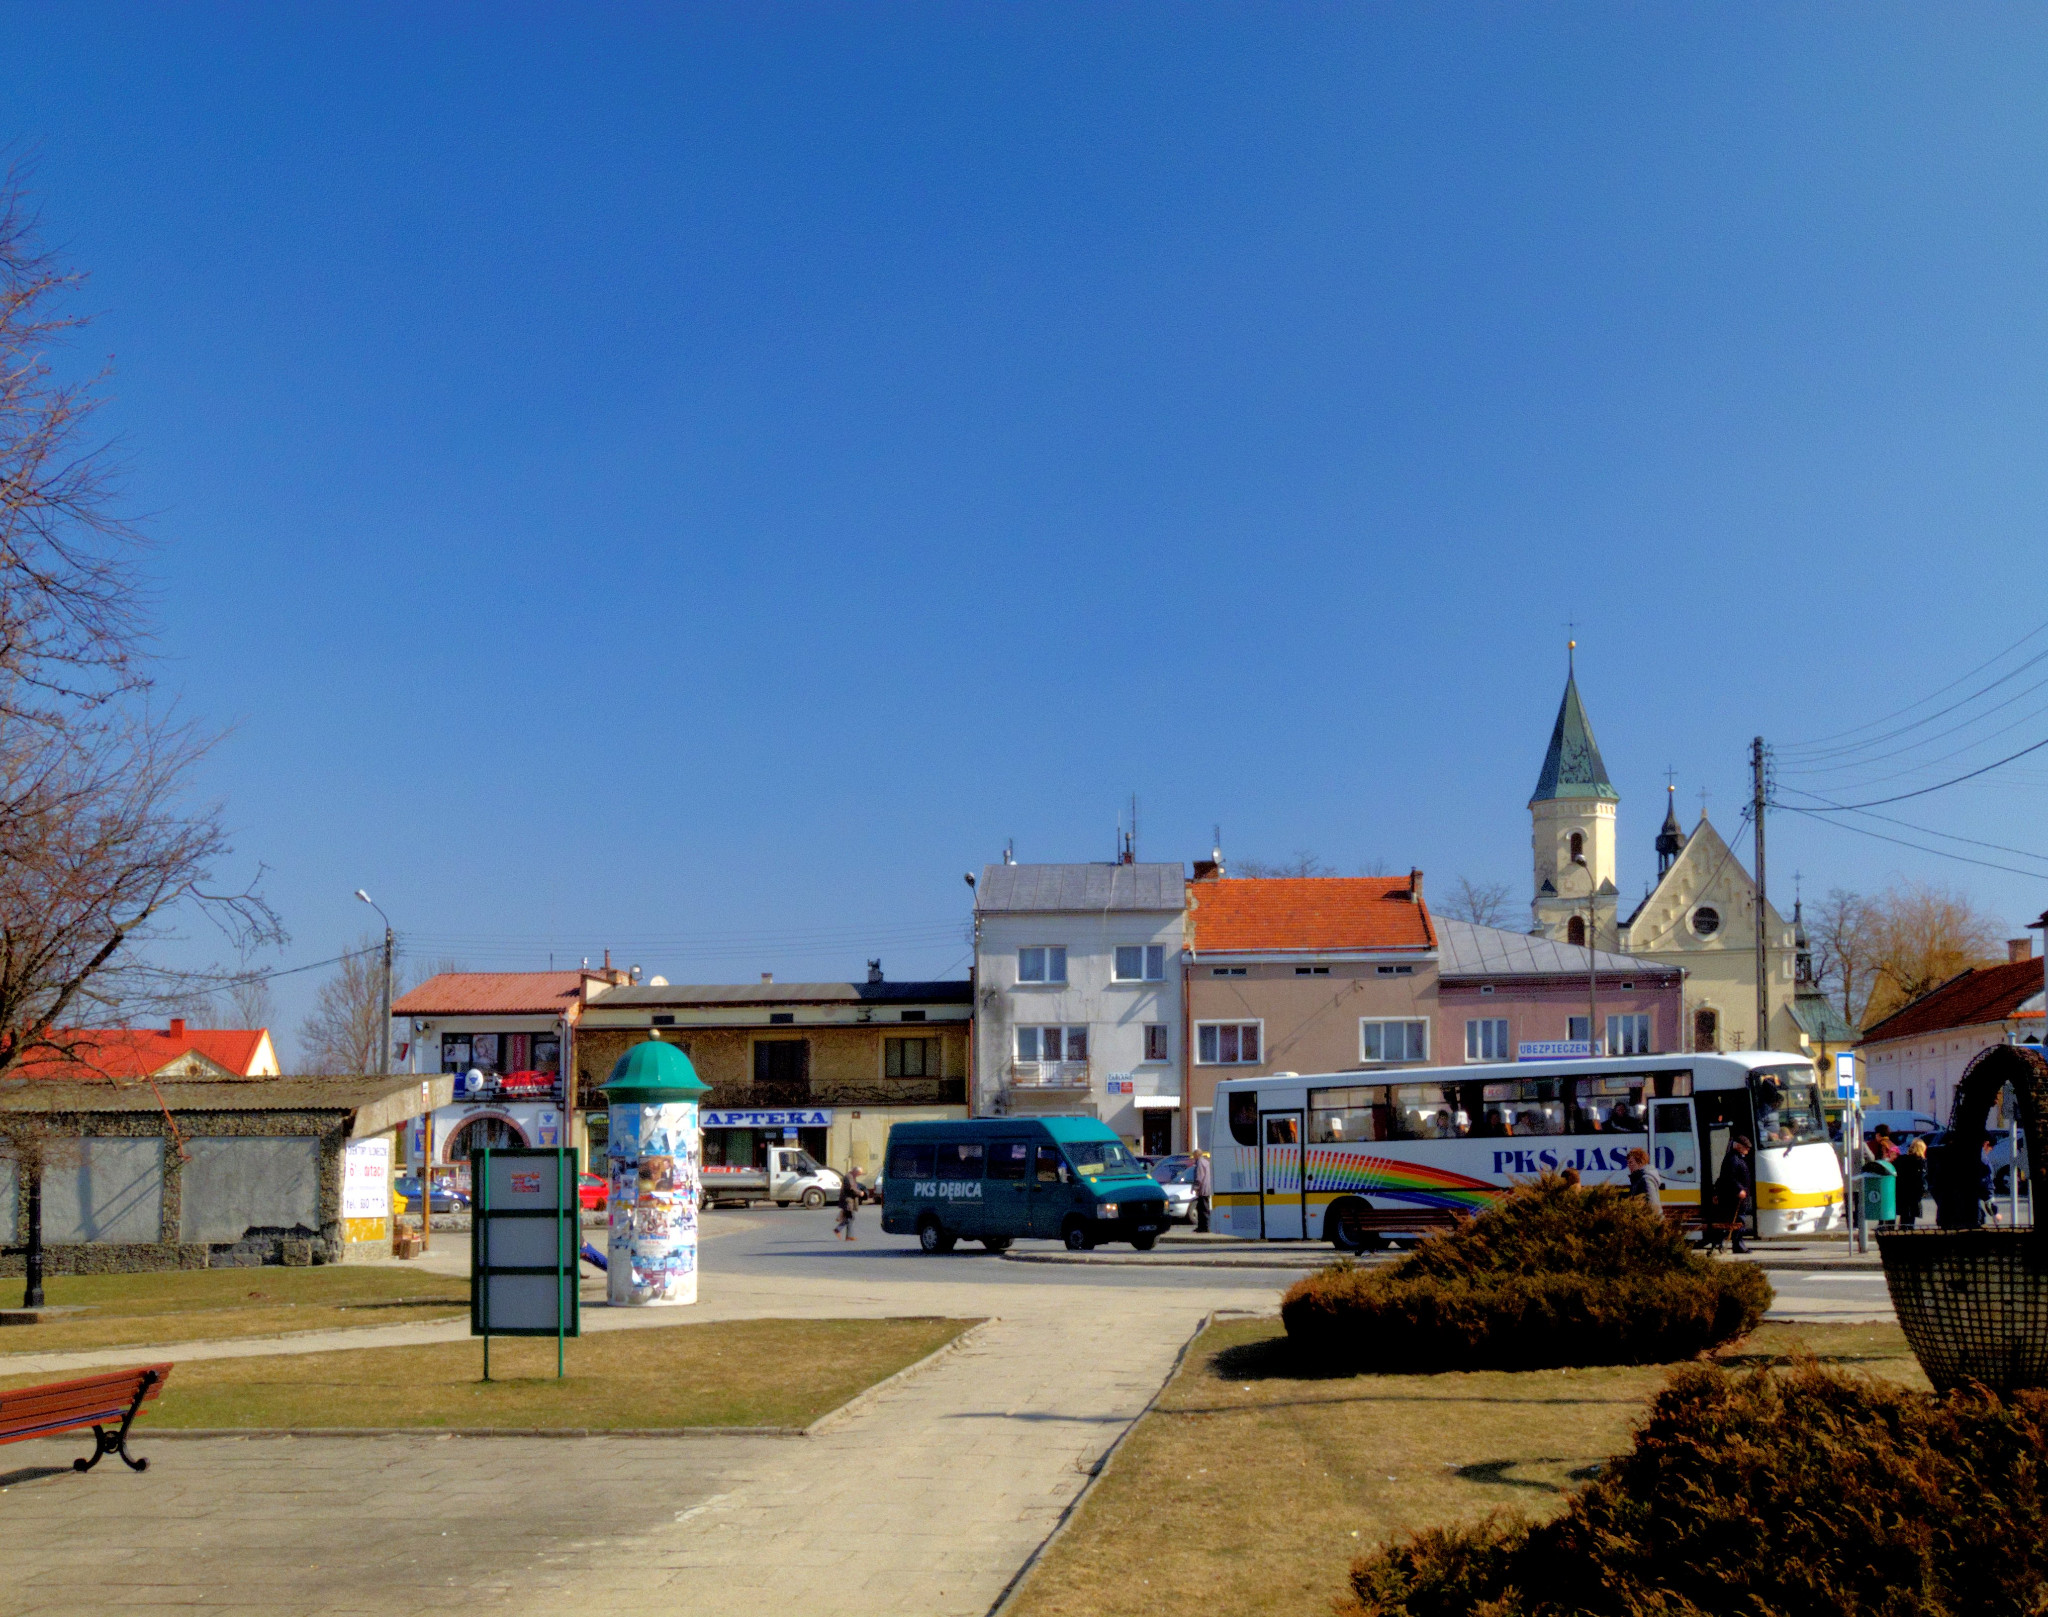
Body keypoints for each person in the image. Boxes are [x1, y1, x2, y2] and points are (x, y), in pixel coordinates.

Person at [1709, 1135, 1754, 1254]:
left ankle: (1737, 1245)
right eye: (1746, 1148)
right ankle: (1738, 1246)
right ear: (1739, 1146)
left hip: (1737, 1197)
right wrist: (1739, 1190)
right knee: (1739, 1220)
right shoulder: (1733, 1159)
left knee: (1740, 1221)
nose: (1748, 1150)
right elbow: (1729, 1178)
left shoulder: (1737, 1158)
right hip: (1733, 1198)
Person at [1894, 1138, 1928, 1231]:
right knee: (1910, 1218)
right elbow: (1921, 1179)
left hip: (1901, 1191)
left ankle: (1902, 1231)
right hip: (1914, 1193)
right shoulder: (1920, 1161)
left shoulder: (1901, 1159)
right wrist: (1923, 1191)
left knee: (1904, 1215)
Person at [1626, 1146, 1663, 1216]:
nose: (1628, 1166)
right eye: (1627, 1163)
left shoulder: (1645, 1180)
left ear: (1640, 1162)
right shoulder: (1638, 1179)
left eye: (1631, 1162)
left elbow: (1652, 1205)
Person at [834, 1164, 862, 1241]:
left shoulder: (852, 1177)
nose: (859, 1175)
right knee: (851, 1217)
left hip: (850, 1201)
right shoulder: (849, 1177)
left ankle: (849, 1236)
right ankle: (838, 1230)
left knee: (849, 1217)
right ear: (855, 1171)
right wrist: (859, 1193)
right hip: (848, 1201)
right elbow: (851, 1188)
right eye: (859, 1173)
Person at [1194, 1149, 1212, 1233]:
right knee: (1203, 1207)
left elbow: (1199, 1177)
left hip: (1203, 1189)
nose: (1193, 1157)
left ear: (1197, 1155)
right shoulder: (1206, 1162)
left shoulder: (1199, 1163)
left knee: (1202, 1208)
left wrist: (1196, 1188)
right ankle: (1203, 1226)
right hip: (1208, 1188)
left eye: (1194, 1155)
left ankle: (1204, 1227)